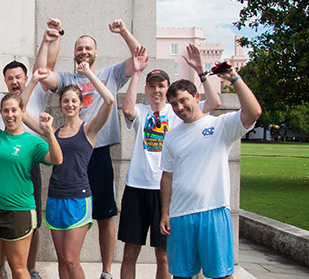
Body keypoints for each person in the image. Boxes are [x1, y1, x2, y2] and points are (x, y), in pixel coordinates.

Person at [39, 19, 144, 279]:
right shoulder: (66, 79)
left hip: (98, 152)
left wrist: (123, 32)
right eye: (79, 48)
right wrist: (51, 38)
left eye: (88, 48)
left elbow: (139, 57)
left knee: (105, 214)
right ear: (74, 54)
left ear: (96, 52)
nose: (83, 52)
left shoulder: (110, 74)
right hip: (71, 152)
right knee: (69, 240)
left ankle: (106, 270)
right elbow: (42, 72)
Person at [118, 44, 221, 279]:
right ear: (146, 88)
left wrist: (200, 71)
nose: (156, 90)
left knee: (163, 254)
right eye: (152, 85)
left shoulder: (178, 111)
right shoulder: (142, 110)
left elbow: (213, 103)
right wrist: (136, 72)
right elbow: (126, 109)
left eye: (161, 86)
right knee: (130, 252)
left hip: (165, 192)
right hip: (137, 188)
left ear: (167, 89)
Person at [159, 65, 261, 279]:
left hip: (213, 211)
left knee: (221, 275)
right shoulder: (172, 136)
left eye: (183, 100)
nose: (179, 107)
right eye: (174, 104)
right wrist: (165, 213)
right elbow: (167, 176)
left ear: (197, 97)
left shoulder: (220, 126)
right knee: (180, 275)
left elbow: (254, 112)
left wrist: (234, 78)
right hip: (180, 216)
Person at [22, 61, 114, 279]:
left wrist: (89, 74)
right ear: (61, 104)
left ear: (81, 104)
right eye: (66, 101)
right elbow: (21, 110)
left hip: (78, 199)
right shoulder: (53, 131)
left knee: (72, 259)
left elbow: (109, 101)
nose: (70, 104)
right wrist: (33, 80)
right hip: (55, 198)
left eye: (74, 101)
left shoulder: (89, 129)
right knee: (62, 259)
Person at [0, 18, 62, 279]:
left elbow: (47, 66)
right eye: (10, 78)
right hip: (0, 165)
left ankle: (29, 266)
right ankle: (5, 267)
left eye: (19, 76)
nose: (14, 80)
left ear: (25, 77)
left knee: (32, 221)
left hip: (30, 161)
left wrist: (49, 38)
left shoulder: (39, 91)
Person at [0, 93, 63, 279]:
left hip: (18, 212)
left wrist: (48, 131)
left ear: (23, 111)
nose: (10, 115)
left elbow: (57, 159)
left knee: (18, 267)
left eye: (14, 110)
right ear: (0, 113)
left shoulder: (33, 142)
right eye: (6, 110)